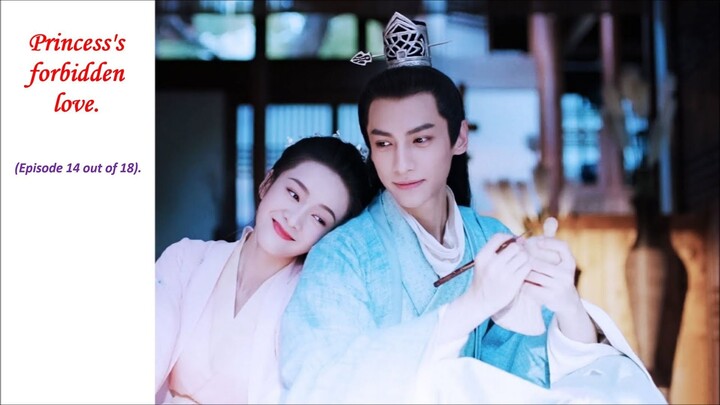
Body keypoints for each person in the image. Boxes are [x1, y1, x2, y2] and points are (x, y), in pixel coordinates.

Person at [279, 12, 666, 404]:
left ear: (459, 138)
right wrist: (471, 306)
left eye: (421, 140)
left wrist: (566, 304)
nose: (401, 164)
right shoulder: (342, 254)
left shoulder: (491, 239)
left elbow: (531, 379)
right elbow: (318, 381)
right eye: (384, 143)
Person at [155, 136, 375, 404]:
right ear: (267, 183)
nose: (294, 220)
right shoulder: (186, 260)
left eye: (319, 218)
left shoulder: (311, 305)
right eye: (293, 194)